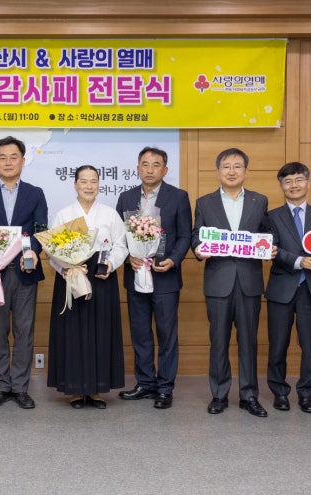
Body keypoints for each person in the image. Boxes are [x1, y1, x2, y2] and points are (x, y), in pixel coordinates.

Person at [191, 147, 273, 418]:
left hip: (249, 281)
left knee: (249, 341)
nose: (232, 171)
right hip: (218, 281)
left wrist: (269, 247)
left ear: (246, 171)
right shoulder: (205, 202)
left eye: (237, 166)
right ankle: (219, 394)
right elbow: (196, 235)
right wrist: (198, 249)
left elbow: (267, 234)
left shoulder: (259, 201)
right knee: (218, 340)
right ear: (218, 171)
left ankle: (249, 395)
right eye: (226, 166)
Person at [0, 136, 47, 409]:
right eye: (2, 157)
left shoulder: (35, 193)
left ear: (23, 161)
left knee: (24, 331)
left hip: (25, 273)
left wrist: (32, 251)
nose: (8, 162)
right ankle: (2, 387)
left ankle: (20, 388)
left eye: (14, 157)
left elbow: (40, 229)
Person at [115, 146, 192, 409]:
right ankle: (145, 383)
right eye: (145, 164)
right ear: (137, 168)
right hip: (135, 274)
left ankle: (165, 387)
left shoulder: (178, 197)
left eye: (156, 165)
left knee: (166, 334)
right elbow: (118, 236)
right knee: (140, 333)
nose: (150, 170)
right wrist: (128, 257)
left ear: (165, 170)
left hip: (165, 276)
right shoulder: (126, 197)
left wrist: (174, 259)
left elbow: (185, 235)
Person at [48, 165, 127, 409]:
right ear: (75, 185)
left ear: (99, 185)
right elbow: (52, 249)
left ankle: (96, 389)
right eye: (84, 181)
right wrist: (64, 268)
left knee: (100, 332)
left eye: (94, 181)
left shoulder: (110, 214)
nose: (89, 186)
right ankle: (74, 389)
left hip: (101, 275)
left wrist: (111, 264)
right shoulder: (63, 214)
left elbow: (121, 244)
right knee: (72, 333)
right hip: (72, 275)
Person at [265, 162, 311, 414]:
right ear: (281, 186)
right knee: (278, 345)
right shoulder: (270, 217)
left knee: (310, 346)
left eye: (299, 179)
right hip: (281, 288)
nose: (294, 185)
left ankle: (306, 394)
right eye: (288, 181)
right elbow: (272, 248)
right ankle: (279, 392)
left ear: (308, 182)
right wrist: (299, 260)